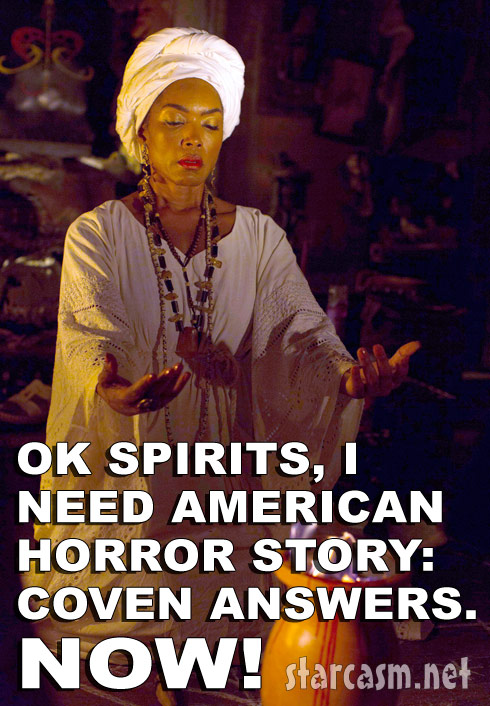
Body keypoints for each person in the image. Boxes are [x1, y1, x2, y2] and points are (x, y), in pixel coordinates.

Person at [25, 26, 419, 693]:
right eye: (174, 120)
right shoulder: (98, 234)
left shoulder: (260, 238)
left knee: (240, 651)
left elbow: (301, 335)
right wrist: (112, 390)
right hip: (135, 473)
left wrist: (347, 377)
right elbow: (93, 332)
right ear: (141, 128)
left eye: (210, 123)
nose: (193, 139)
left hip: (226, 485)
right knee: (122, 654)